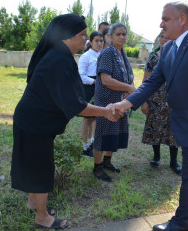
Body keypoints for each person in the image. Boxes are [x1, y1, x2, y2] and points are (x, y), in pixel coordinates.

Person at [114, 2, 188, 230]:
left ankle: (181, 223)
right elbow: (153, 81)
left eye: (165, 19)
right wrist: (126, 102)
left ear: (182, 19)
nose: (161, 24)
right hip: (183, 123)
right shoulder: (171, 48)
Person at [10, 14, 120, 229]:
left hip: (31, 120)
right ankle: (42, 217)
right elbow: (77, 106)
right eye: (82, 34)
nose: (86, 39)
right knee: (41, 167)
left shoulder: (59, 55)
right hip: (35, 124)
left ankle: (34, 203)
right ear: (66, 37)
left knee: (33, 163)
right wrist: (106, 111)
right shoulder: (58, 60)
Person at [93, 23, 135, 182]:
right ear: (110, 37)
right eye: (118, 34)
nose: (122, 37)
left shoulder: (122, 53)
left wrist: (127, 91)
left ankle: (107, 162)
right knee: (103, 133)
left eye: (124, 34)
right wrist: (129, 88)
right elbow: (106, 80)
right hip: (106, 101)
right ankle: (97, 167)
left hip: (120, 101)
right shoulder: (107, 53)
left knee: (115, 131)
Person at [141, 32, 181, 175]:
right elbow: (146, 80)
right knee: (155, 128)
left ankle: (174, 162)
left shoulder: (178, 55)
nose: (165, 40)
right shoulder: (152, 57)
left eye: (168, 38)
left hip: (174, 100)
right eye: (162, 38)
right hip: (155, 100)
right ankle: (156, 157)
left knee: (174, 131)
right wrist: (143, 101)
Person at [78, 31, 104, 157]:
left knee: (94, 118)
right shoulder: (86, 56)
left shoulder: (102, 55)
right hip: (88, 89)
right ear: (91, 42)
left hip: (98, 89)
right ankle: (82, 146)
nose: (99, 43)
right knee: (87, 119)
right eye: (97, 41)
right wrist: (95, 81)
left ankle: (90, 144)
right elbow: (81, 75)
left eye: (101, 41)